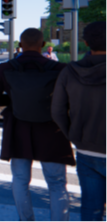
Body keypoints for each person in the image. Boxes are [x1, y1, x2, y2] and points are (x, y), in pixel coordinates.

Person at [0, 28, 72, 222]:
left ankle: (26, 220)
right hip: (52, 130)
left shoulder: (7, 68)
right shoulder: (59, 69)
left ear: (20, 45)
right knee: (57, 183)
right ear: (42, 45)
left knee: (21, 180)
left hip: (18, 129)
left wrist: (15, 101)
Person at [52, 21, 107, 222]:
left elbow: (57, 111)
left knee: (91, 209)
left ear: (86, 43)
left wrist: (74, 135)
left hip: (86, 150)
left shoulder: (70, 71)